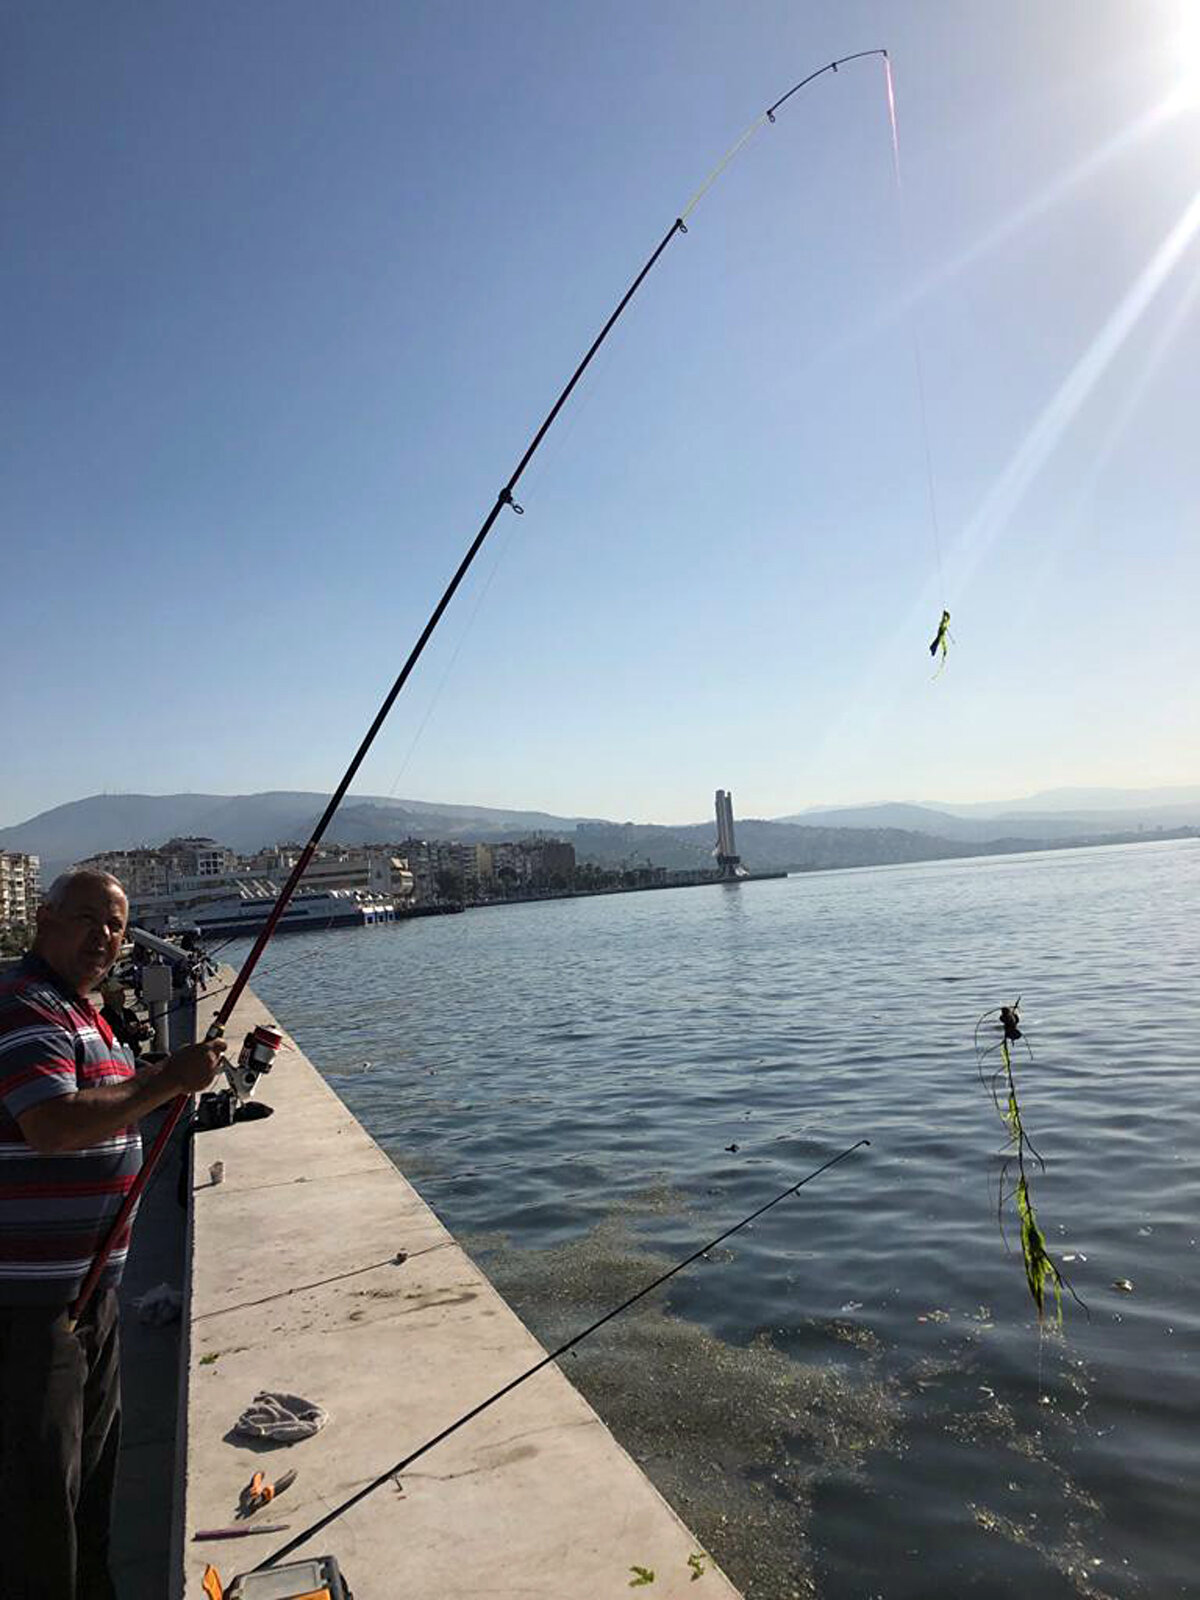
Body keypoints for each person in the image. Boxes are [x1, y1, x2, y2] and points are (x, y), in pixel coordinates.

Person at [0, 869, 227, 1600]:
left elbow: (101, 1102)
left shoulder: (83, 1012)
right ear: (44, 919)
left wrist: (162, 1074)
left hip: (88, 1298)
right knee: (38, 1507)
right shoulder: (22, 1006)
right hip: (27, 1313)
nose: (105, 936)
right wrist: (166, 1084)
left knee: (92, 1489)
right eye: (89, 919)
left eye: (118, 926)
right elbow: (56, 1125)